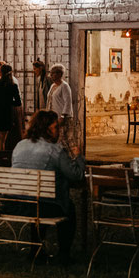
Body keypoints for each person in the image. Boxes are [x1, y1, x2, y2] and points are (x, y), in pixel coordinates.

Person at [11, 109, 84, 264]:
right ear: (46, 130)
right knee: (67, 208)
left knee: (37, 200)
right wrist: (78, 156)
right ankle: (64, 254)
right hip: (43, 205)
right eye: (56, 127)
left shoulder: (19, 145)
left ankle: (35, 250)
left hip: (18, 203)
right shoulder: (55, 150)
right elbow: (76, 175)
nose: (59, 131)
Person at [46, 63, 76, 148]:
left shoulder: (64, 86)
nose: (51, 75)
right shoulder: (52, 86)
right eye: (51, 73)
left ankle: (69, 158)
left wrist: (63, 116)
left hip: (62, 117)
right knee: (55, 139)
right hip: (53, 117)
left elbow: (68, 102)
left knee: (64, 140)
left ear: (59, 74)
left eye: (53, 73)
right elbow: (49, 100)